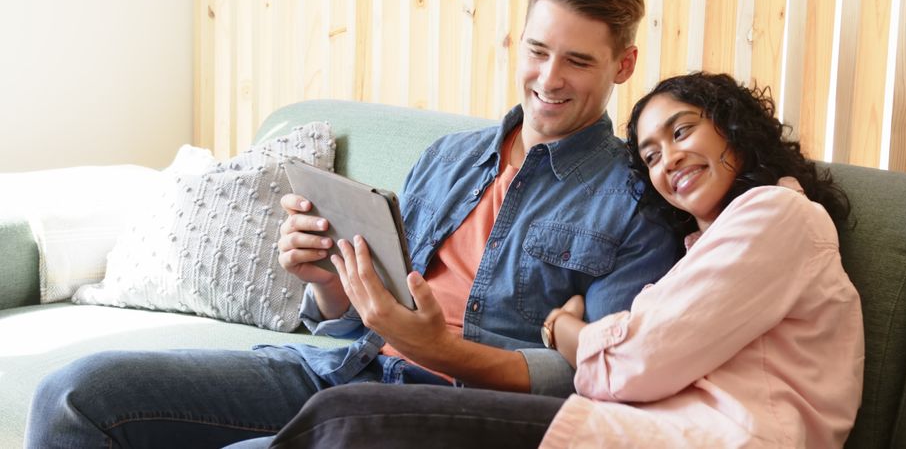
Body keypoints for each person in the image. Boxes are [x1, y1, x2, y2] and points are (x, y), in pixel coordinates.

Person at [25, 0, 682, 448]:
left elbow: (599, 377)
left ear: (622, 66)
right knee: (72, 396)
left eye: (578, 61)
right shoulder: (450, 157)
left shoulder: (636, 198)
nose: (549, 78)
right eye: (538, 51)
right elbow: (354, 320)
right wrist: (328, 287)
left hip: (448, 409)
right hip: (344, 367)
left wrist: (437, 348)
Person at [263, 72, 865, 449]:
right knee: (335, 417)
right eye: (651, 155)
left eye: (682, 132)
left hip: (708, 438)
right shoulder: (702, 250)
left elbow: (634, 363)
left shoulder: (778, 214)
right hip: (636, 430)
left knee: (346, 419)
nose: (668, 161)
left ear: (733, 127)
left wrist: (565, 330)